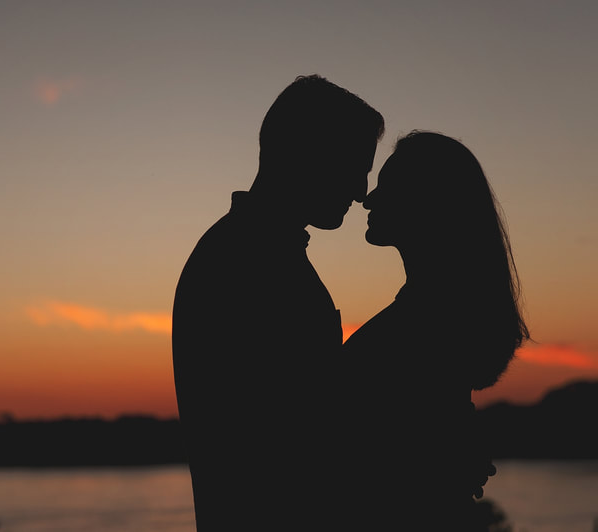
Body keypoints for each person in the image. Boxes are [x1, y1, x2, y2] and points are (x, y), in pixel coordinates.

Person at [171, 74, 384, 530]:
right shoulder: (248, 263)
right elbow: (302, 447)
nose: (361, 191)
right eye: (355, 167)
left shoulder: (248, 252)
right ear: (309, 154)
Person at [341, 131, 530, 530]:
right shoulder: (436, 315)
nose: (368, 199)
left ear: (426, 202)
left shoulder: (419, 327)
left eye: (387, 187)